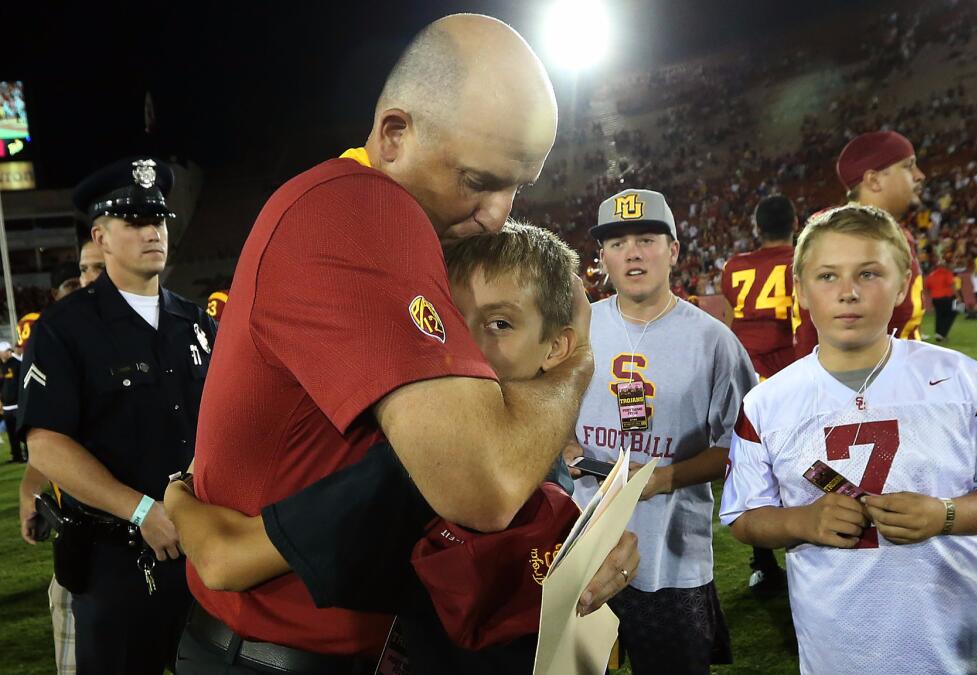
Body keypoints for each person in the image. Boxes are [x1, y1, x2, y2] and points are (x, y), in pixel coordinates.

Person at [184, 14, 634, 673]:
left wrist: (572, 539)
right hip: (283, 656)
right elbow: (483, 484)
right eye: (479, 181)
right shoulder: (361, 210)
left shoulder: (372, 219)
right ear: (394, 133)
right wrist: (577, 360)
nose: (498, 212)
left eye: (516, 186)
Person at [166, 222, 630, 674]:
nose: (462, 345)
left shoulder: (445, 457)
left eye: (500, 323)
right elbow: (225, 559)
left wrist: (176, 494)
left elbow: (223, 559)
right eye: (448, 317)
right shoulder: (503, 445)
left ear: (555, 347)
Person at [720, 204, 977, 674]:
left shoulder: (960, 379)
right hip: (840, 639)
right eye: (827, 276)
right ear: (801, 293)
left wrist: (944, 514)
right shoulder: (768, 403)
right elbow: (742, 517)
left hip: (956, 630)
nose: (847, 292)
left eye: (868, 273)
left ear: (902, 284)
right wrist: (805, 523)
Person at [20, 157, 216, 675]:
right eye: (134, 222)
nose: (153, 232)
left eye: (158, 221)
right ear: (101, 237)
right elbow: (45, 443)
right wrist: (141, 511)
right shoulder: (65, 328)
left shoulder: (197, 323)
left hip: (207, 551)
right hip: (118, 563)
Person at [572, 188, 757, 674]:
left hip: (671, 558)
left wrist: (663, 479)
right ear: (603, 257)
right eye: (617, 243)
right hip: (580, 547)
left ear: (674, 250)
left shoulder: (714, 341)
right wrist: (570, 448)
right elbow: (544, 414)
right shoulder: (575, 328)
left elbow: (739, 447)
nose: (632, 252)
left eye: (647, 238)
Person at [17, 241, 99, 675]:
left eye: (99, 269)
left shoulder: (172, 333)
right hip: (88, 542)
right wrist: (31, 486)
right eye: (85, 270)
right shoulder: (58, 347)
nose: (91, 280)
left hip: (168, 534)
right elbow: (49, 442)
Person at [719, 193, 795, 594]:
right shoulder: (802, 261)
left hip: (747, 375)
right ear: (794, 225)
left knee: (752, 470)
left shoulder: (735, 267)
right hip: (789, 374)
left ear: (757, 227)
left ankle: (763, 563)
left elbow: (732, 318)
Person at [795, 131, 927, 357]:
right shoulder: (835, 239)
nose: (919, 175)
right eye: (908, 166)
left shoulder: (889, 234)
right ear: (874, 180)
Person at [927, 253, 960, 342]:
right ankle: (942, 333)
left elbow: (927, 287)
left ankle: (938, 333)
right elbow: (952, 285)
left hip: (935, 298)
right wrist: (958, 297)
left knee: (939, 316)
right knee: (952, 313)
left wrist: (932, 295)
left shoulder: (931, 275)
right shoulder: (946, 273)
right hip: (946, 297)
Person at [1, 341, 23, 463]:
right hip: (7, 407)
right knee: (11, 434)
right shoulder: (1, 366)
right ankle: (17, 456)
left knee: (23, 433)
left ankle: (29, 456)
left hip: (18, 405)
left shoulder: (18, 364)